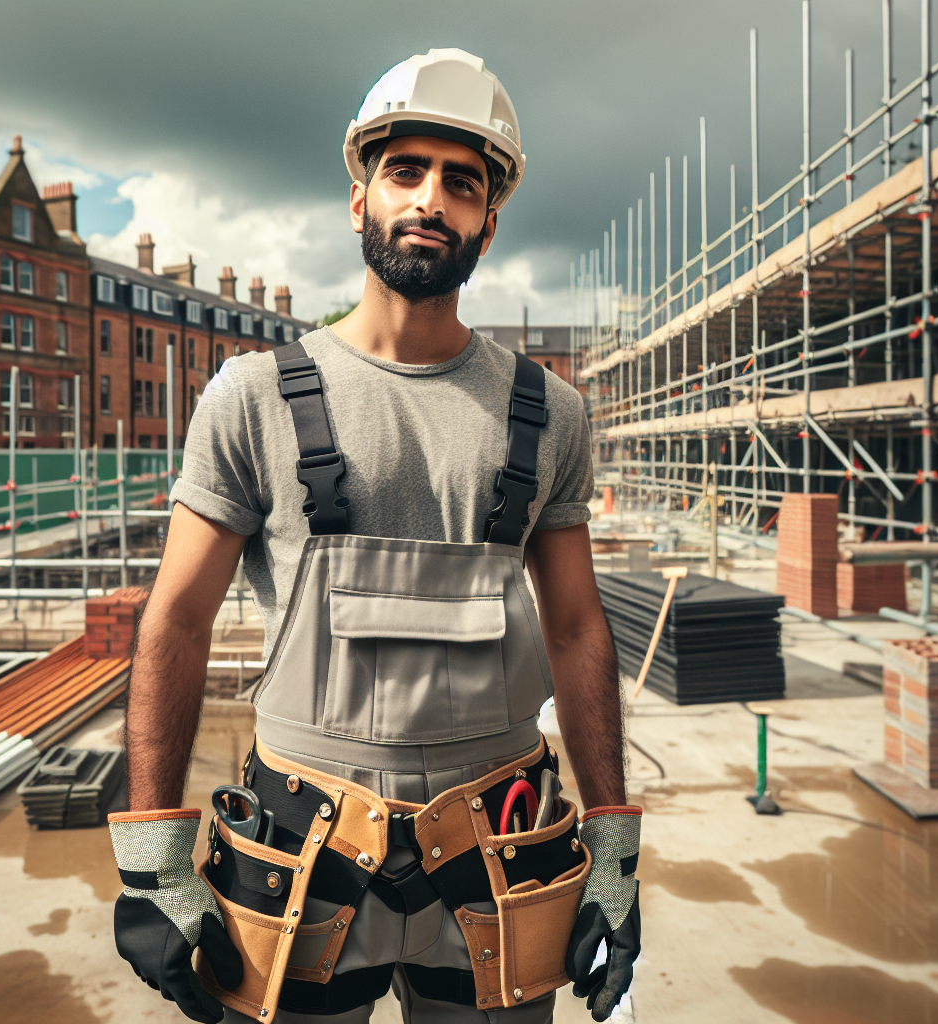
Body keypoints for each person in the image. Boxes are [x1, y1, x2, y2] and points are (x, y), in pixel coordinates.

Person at [109, 48, 640, 1024]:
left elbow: (574, 628)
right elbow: (174, 621)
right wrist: (150, 856)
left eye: (462, 181)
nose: (431, 198)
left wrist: (611, 839)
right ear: (359, 199)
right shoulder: (253, 398)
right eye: (405, 170)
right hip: (300, 859)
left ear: (489, 218)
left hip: (497, 855)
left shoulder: (550, 414)